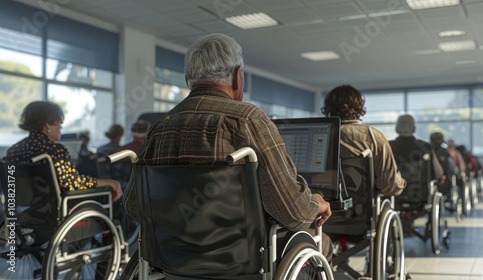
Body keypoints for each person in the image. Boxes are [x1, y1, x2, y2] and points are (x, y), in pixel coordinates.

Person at [123, 33, 333, 267]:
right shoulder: (249, 120)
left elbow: (133, 206)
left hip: (172, 260)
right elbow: (292, 210)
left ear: (187, 79)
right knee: (322, 243)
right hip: (240, 262)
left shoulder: (159, 129)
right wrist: (315, 203)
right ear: (237, 76)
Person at [5, 101, 122, 201]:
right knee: (114, 198)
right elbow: (72, 183)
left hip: (20, 214)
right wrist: (108, 182)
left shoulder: (13, 151)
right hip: (54, 214)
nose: (61, 126)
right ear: (47, 125)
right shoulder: (55, 150)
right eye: (59, 122)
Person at [321, 85, 406, 197]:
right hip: (361, 209)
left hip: (320, 206)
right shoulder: (374, 136)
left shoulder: (317, 135)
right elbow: (391, 186)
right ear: (359, 108)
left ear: (328, 108)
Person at [390, 114, 445, 186]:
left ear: (396, 128)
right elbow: (438, 174)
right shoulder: (425, 147)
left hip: (392, 194)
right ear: (414, 128)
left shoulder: (387, 147)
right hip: (420, 194)